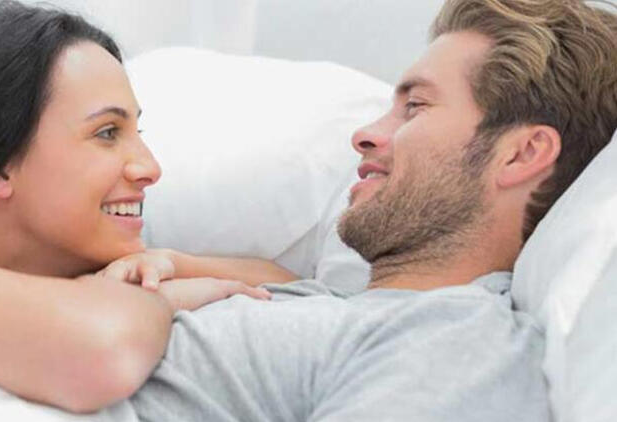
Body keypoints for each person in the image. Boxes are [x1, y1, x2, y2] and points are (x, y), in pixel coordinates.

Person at [123, 0, 617, 420]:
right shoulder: (328, 303)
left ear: (520, 155)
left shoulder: (453, 345)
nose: (364, 135)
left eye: (416, 106)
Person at [0, 1, 295, 413]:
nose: (150, 168)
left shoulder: (69, 248)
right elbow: (101, 352)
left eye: (138, 132)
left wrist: (171, 262)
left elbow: (290, 287)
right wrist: (161, 298)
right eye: (107, 133)